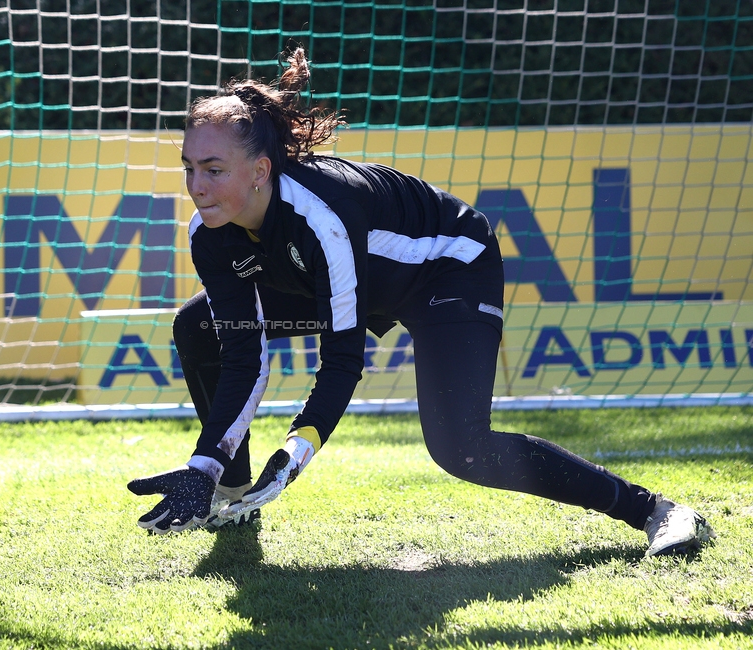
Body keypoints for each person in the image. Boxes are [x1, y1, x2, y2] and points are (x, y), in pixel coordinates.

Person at [127, 48, 715, 557]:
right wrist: (205, 467)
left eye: (212, 169)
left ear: (259, 170)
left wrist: (296, 452)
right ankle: (228, 493)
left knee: (463, 448)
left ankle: (656, 512)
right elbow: (243, 357)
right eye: (188, 167)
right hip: (364, 284)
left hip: (448, 269)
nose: (196, 185)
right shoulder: (209, 232)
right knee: (199, 327)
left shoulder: (321, 217)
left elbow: (342, 361)